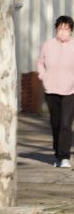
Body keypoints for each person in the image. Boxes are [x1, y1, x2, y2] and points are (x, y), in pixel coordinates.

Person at [37, 15, 74, 168]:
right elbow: (40, 61)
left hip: (70, 91)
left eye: (66, 29)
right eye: (60, 28)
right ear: (56, 29)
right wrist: (42, 75)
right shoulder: (48, 45)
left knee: (66, 124)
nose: (63, 31)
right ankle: (57, 155)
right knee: (56, 123)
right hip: (51, 90)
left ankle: (65, 157)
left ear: (71, 31)